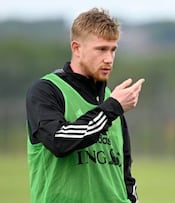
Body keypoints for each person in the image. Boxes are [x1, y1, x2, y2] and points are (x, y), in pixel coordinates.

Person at [26, 8, 144, 203]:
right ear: (76, 48)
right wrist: (112, 108)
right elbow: (59, 141)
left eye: (113, 49)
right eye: (101, 49)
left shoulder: (111, 100)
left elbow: (125, 174)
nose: (109, 59)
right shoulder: (46, 91)